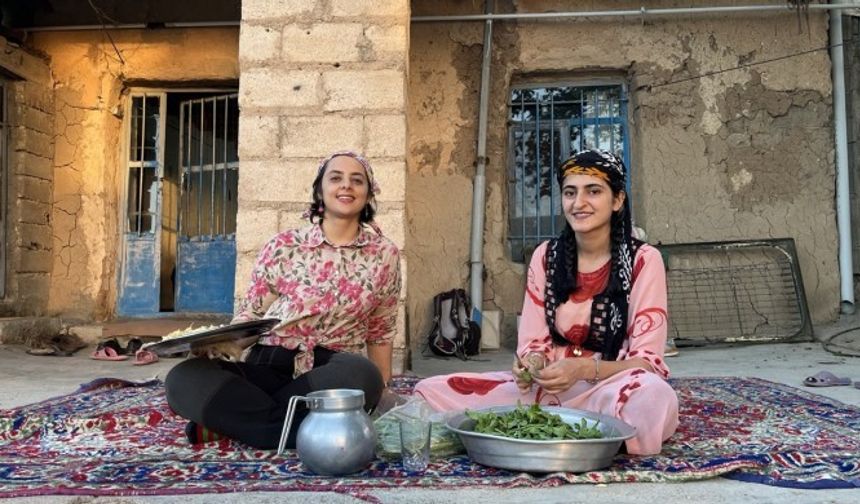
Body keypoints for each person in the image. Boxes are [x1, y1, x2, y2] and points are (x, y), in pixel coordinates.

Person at [414, 150, 678, 455]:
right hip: (548, 388)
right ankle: (593, 433)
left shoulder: (643, 260)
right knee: (432, 390)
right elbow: (533, 343)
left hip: (610, 387)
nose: (578, 203)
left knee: (653, 397)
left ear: (617, 200)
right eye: (569, 192)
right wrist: (532, 364)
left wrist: (581, 369)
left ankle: (567, 428)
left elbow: (647, 363)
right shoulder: (546, 256)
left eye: (593, 191)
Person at [165, 151, 401, 448]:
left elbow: (381, 329)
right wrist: (220, 344)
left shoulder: (384, 255)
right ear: (320, 190)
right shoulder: (284, 246)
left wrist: (380, 390)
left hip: (332, 375)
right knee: (182, 378)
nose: (346, 186)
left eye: (357, 180)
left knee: (364, 375)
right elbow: (252, 313)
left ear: (368, 194)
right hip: (271, 362)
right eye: (336, 178)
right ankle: (294, 429)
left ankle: (240, 426)